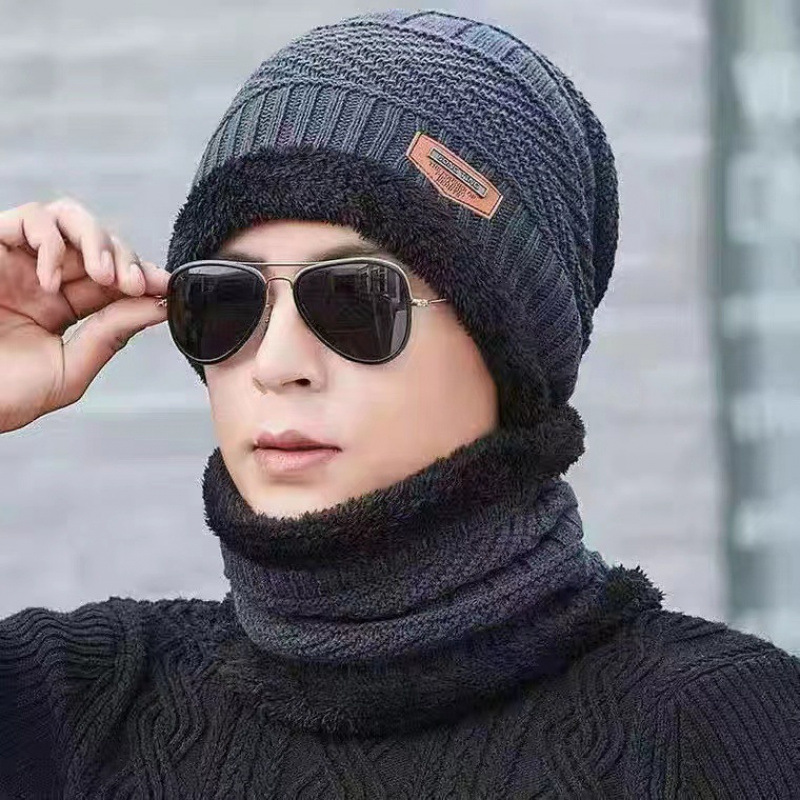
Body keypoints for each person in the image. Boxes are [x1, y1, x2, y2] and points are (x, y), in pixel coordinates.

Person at [1, 9, 798, 798]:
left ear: (508, 349)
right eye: (226, 300)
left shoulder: (724, 730)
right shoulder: (76, 705)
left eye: (354, 298)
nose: (276, 364)